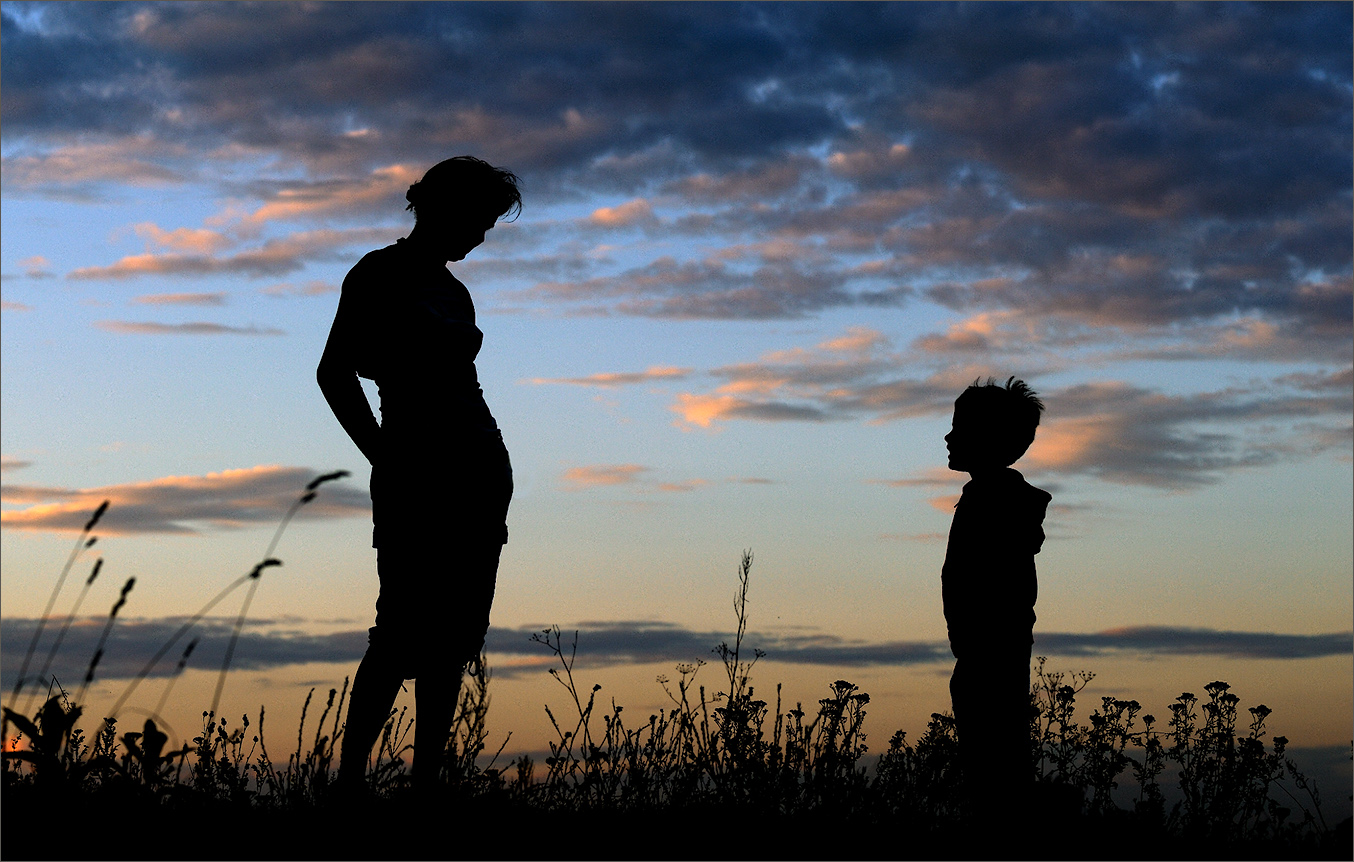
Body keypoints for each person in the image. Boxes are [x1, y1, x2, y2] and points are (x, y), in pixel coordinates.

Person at [317, 155, 522, 796]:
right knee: (401, 626)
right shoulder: (378, 273)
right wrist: (385, 454)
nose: (482, 235)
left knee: (454, 636)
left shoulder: (453, 289)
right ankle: (350, 785)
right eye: (479, 219)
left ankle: (425, 786)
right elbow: (334, 372)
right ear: (440, 208)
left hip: (479, 468)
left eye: (489, 223)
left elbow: (465, 383)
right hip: (415, 468)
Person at [940, 376, 1051, 831]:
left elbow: (990, 596)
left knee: (995, 785)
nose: (949, 437)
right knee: (993, 777)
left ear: (990, 439)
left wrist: (977, 645)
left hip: (990, 661)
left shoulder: (994, 506)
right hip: (984, 659)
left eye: (960, 428)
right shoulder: (991, 501)